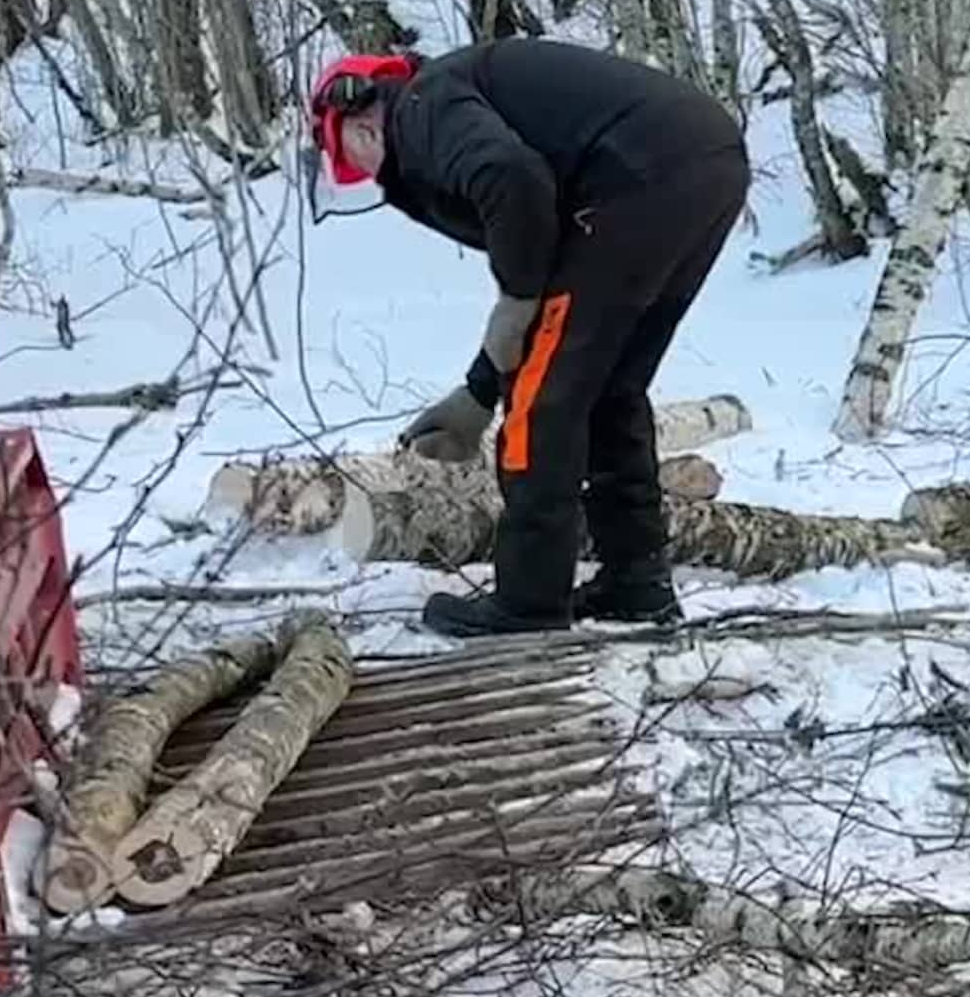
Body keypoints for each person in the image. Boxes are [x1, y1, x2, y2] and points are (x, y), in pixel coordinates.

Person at [310, 39, 748, 637]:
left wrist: (512, 314)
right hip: (700, 162)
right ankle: (636, 582)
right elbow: (546, 281)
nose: (369, 177)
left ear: (358, 128)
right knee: (608, 387)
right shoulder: (465, 93)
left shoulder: (422, 107)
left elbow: (511, 182)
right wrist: (477, 391)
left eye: (354, 163)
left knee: (544, 406)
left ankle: (527, 605)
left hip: (635, 176)